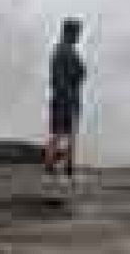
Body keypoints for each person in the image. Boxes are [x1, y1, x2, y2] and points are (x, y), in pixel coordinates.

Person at [44, 17, 86, 177]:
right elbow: (80, 73)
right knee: (68, 132)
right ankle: (67, 166)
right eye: (77, 33)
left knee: (57, 132)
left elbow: (58, 77)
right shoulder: (68, 51)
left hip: (60, 97)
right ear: (71, 33)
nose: (78, 37)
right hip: (68, 98)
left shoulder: (58, 50)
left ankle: (52, 164)